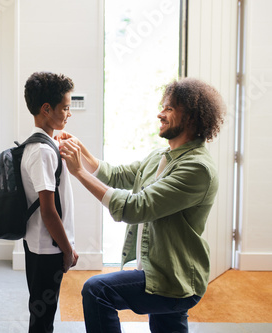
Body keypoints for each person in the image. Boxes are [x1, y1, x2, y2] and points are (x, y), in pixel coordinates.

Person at [58, 77, 226, 333]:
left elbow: (135, 208)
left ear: (191, 118)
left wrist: (79, 172)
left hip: (173, 279)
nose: (160, 114)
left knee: (96, 290)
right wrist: (82, 152)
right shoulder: (160, 156)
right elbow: (117, 175)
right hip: (161, 270)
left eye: (169, 108)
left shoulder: (197, 168)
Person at [22, 71, 79, 333]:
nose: (69, 114)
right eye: (65, 108)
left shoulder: (39, 145)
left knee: (41, 313)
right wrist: (67, 250)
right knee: (43, 320)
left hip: (38, 244)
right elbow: (48, 211)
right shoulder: (43, 152)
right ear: (47, 109)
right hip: (48, 249)